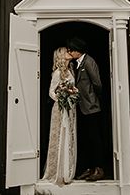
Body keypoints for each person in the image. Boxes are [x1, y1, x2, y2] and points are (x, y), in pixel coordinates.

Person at [66, 36, 105, 182]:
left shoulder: (89, 62)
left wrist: (94, 98)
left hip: (91, 107)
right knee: (85, 139)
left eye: (71, 50)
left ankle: (99, 169)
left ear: (78, 51)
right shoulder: (78, 63)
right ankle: (88, 169)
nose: (69, 52)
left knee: (95, 138)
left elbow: (97, 83)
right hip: (82, 108)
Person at [41, 47, 77, 186]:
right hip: (61, 108)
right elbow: (51, 92)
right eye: (66, 51)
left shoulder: (70, 71)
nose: (69, 52)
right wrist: (62, 98)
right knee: (61, 136)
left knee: (69, 136)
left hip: (70, 108)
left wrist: (73, 95)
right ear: (62, 55)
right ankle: (57, 172)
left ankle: (68, 171)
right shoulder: (57, 73)